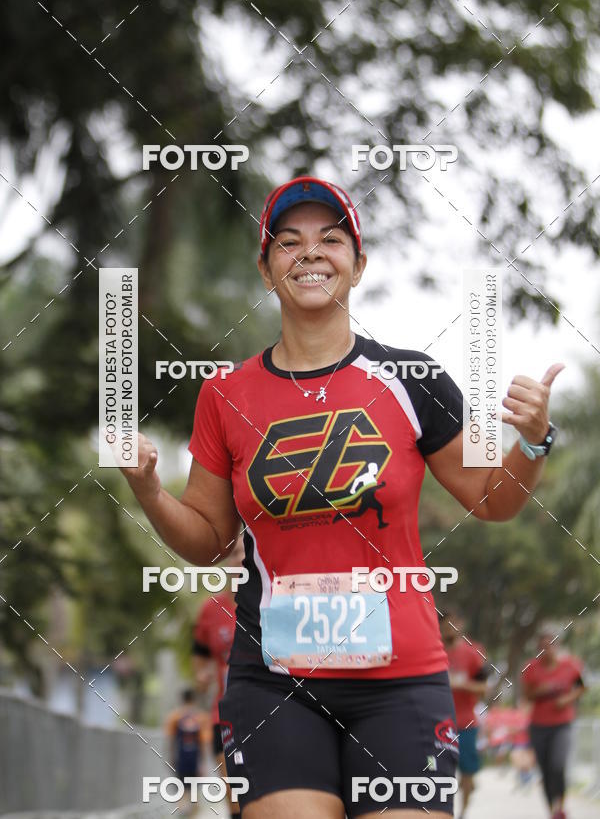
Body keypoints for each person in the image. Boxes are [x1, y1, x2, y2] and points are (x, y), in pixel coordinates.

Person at [120, 175, 563, 818]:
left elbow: (492, 499)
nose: (311, 253)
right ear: (267, 271)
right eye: (289, 241)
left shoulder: (413, 381)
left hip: (402, 681)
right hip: (275, 683)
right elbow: (208, 541)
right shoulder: (225, 395)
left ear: (358, 265)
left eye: (331, 239)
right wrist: (149, 489)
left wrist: (533, 442)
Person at [192, 536, 245, 817]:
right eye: (235, 554)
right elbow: (199, 657)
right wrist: (202, 675)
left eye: (247, 554)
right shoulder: (211, 611)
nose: (241, 560)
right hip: (223, 716)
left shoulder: (272, 604)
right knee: (236, 800)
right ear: (227, 561)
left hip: (270, 711)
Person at [521, 630, 585, 819]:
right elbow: (527, 696)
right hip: (539, 725)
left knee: (558, 765)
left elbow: (581, 687)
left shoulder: (570, 666)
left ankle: (561, 805)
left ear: (557, 647)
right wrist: (540, 691)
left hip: (562, 724)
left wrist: (568, 699)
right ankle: (552, 811)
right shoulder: (531, 668)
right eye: (542, 647)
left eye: (550, 645)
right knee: (546, 770)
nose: (546, 650)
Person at [439, 611, 490, 818]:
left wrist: (462, 684)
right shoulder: (435, 650)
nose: (450, 627)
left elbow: (484, 688)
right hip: (440, 723)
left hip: (466, 722)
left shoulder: (474, 652)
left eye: (454, 623)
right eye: (445, 623)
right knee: (441, 770)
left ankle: (463, 812)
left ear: (461, 624)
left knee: (467, 771)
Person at [165, 688, 206, 817]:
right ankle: (191, 814)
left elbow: (171, 740)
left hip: (181, 759)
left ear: (182, 700)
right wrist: (203, 763)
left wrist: (171, 757)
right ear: (194, 700)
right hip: (194, 760)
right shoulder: (200, 717)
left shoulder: (175, 717)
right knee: (194, 794)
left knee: (181, 791)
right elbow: (203, 742)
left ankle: (182, 814)